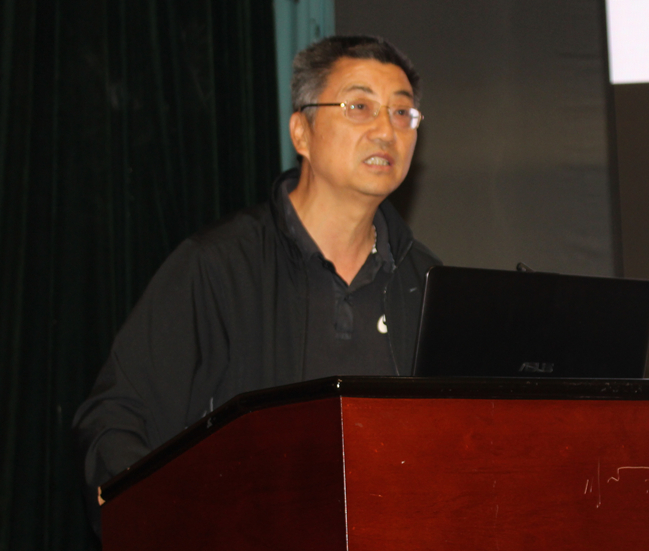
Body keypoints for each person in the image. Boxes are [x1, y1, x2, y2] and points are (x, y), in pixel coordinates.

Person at [73, 35, 440, 533]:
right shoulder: (218, 266)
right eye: (359, 107)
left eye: (402, 113)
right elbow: (118, 416)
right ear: (301, 132)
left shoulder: (427, 283)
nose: (385, 130)